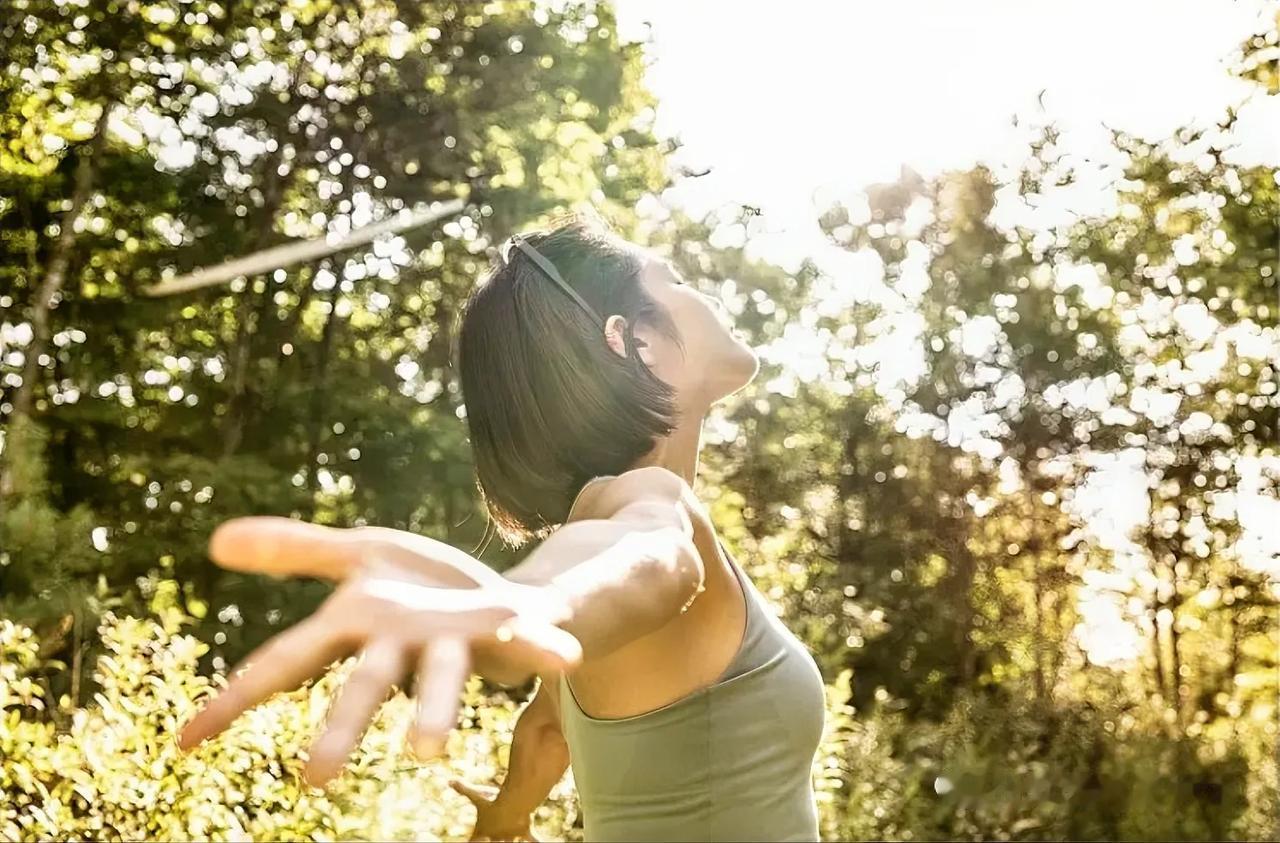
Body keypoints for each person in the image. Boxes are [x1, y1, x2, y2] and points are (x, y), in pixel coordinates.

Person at [179, 218, 826, 842]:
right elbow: (652, 557)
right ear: (635, 341)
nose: (702, 291)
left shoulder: (595, 540)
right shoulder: (648, 504)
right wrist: (531, 601)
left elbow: (548, 730)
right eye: (675, 278)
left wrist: (507, 813)